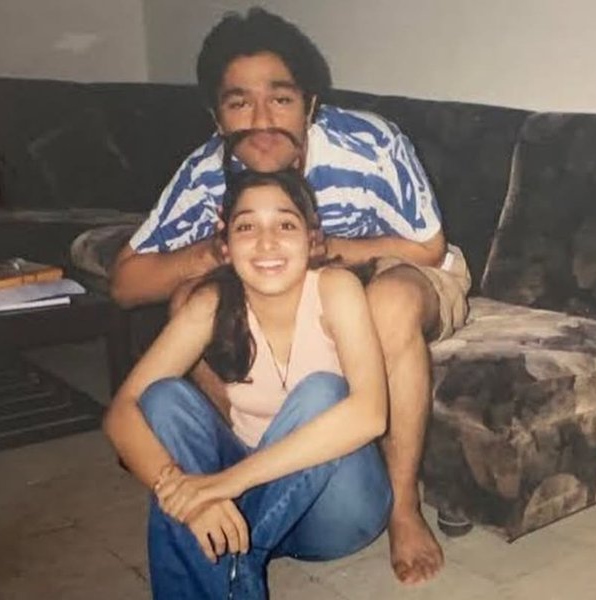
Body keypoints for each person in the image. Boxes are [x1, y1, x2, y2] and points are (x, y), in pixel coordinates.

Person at [110, 7, 471, 585]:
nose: (261, 120)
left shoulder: (368, 142)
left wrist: (327, 252)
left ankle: (403, 506)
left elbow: (427, 247)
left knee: (388, 305)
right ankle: (243, 476)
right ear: (216, 116)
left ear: (309, 104)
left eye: (280, 99)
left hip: (394, 264)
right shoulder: (205, 172)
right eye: (239, 103)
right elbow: (127, 283)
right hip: (281, 275)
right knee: (191, 302)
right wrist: (213, 253)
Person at [104, 168, 392, 598]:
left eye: (285, 225)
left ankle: (226, 564)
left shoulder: (336, 288)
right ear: (225, 244)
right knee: (163, 398)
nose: (266, 242)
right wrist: (185, 496)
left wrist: (225, 485)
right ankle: (228, 565)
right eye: (246, 227)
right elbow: (121, 411)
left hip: (335, 509)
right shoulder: (211, 303)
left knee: (323, 392)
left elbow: (369, 415)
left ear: (313, 239)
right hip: (247, 504)